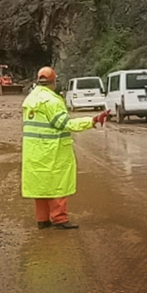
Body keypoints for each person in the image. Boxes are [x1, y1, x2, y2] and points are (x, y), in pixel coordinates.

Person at [21, 67, 109, 229]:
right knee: (57, 186)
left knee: (41, 188)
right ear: (53, 82)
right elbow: (65, 125)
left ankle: (43, 220)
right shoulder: (52, 102)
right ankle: (60, 219)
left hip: (34, 151)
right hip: (52, 150)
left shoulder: (31, 99)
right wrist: (93, 120)